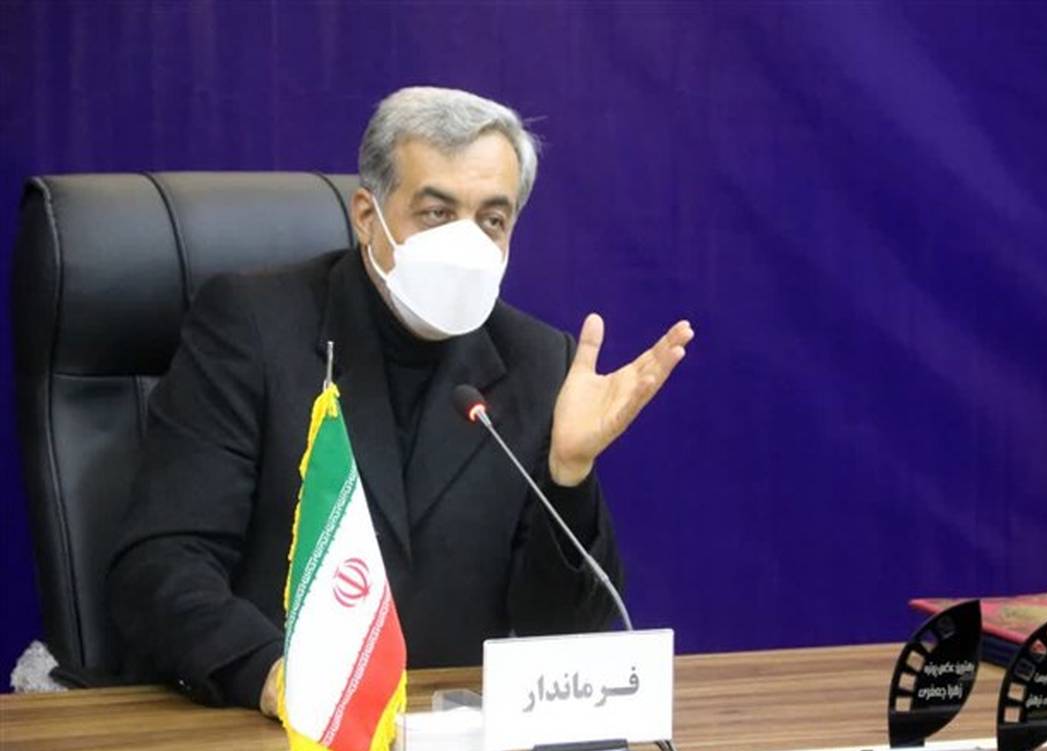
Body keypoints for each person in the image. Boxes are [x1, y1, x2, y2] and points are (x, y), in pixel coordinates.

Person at [106, 86, 694, 716]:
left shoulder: (537, 361)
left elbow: (563, 635)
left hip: (453, 739)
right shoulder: (252, 327)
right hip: (271, 730)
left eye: (491, 220)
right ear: (367, 215)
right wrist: (272, 675)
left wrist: (568, 475)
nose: (466, 243)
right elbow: (160, 565)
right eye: (437, 213)